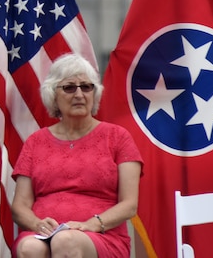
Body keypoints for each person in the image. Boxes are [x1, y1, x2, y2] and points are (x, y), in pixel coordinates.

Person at [10, 53, 142, 258]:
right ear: (53, 95)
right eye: (69, 87)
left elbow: (129, 205)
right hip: (42, 234)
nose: (79, 94)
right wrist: (38, 224)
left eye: (86, 87)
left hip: (101, 235)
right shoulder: (35, 142)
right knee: (30, 248)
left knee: (66, 241)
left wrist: (91, 225)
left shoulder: (118, 137)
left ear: (94, 93)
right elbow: (20, 206)